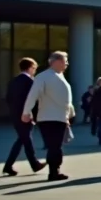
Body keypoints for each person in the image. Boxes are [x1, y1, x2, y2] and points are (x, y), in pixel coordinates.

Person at [21, 51, 75, 181]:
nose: (67, 64)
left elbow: (66, 99)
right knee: (54, 146)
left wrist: (69, 114)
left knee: (56, 145)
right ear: (55, 61)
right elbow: (33, 95)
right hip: (49, 117)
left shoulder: (60, 76)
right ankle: (54, 171)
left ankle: (55, 170)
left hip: (60, 117)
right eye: (64, 61)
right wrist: (26, 112)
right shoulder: (43, 77)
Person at [3, 58, 46, 176]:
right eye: (34, 68)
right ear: (30, 67)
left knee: (22, 139)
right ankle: (34, 164)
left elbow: (8, 98)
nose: (35, 71)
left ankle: (8, 165)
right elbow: (33, 100)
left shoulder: (13, 81)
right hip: (26, 115)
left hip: (15, 115)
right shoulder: (30, 82)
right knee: (26, 139)